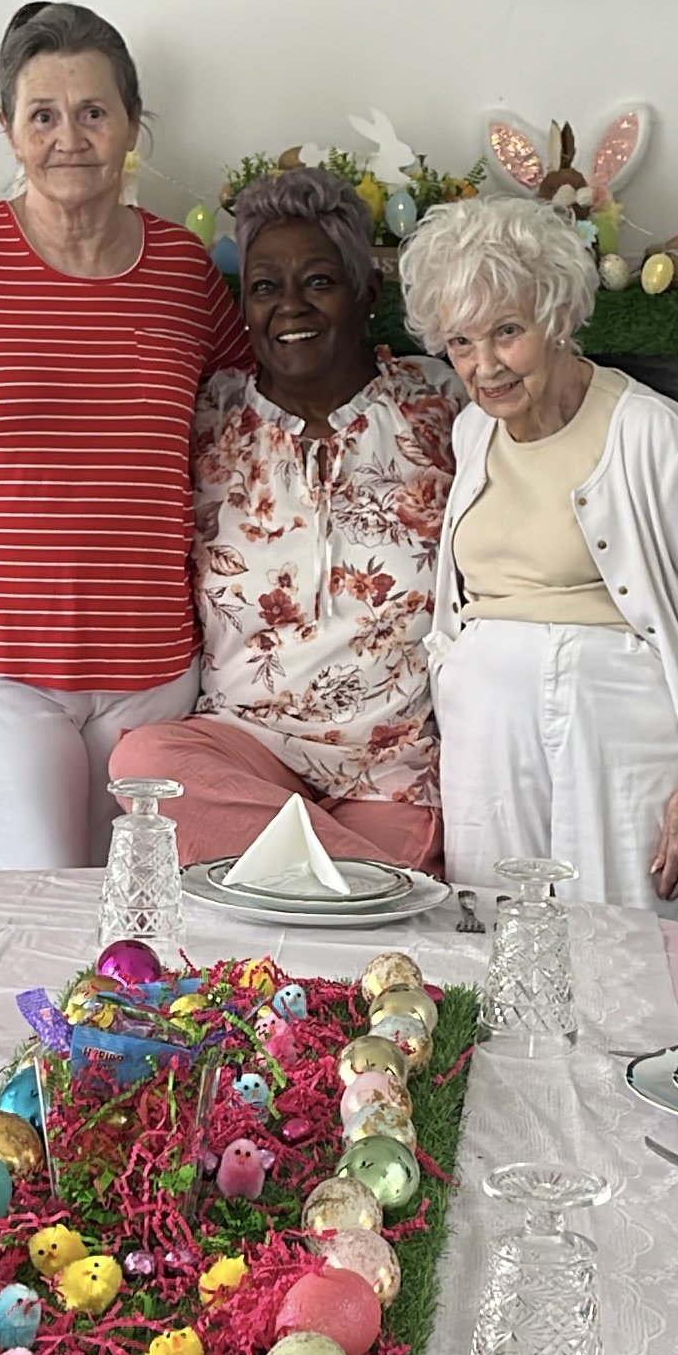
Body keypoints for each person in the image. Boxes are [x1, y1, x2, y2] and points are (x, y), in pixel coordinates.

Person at [0, 0, 246, 868]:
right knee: (40, 892)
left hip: (152, 662)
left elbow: (248, 431)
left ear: (131, 123)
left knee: (136, 903)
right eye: (44, 116)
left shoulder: (185, 274)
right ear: (9, 131)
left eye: (93, 112)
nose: (70, 138)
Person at [398, 196, 678, 914]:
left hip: (622, 740)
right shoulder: (473, 431)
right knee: (494, 940)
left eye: (507, 332)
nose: (484, 366)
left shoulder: (655, 435)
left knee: (622, 953)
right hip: (488, 738)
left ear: (559, 318)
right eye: (461, 342)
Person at [110, 166, 462, 867]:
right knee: (145, 762)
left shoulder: (441, 407)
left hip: (391, 772)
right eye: (266, 287)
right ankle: (371, 885)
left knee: (293, 908)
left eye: (319, 281)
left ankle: (323, 879)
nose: (290, 306)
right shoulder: (206, 416)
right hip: (244, 753)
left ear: (367, 293)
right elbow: (85, 485)